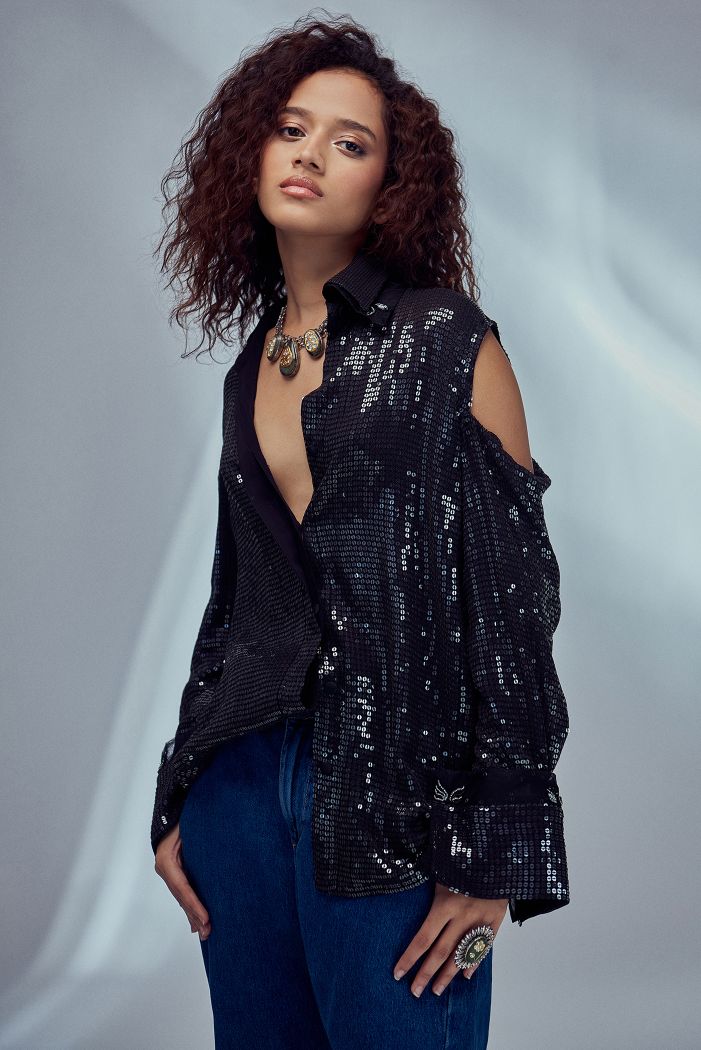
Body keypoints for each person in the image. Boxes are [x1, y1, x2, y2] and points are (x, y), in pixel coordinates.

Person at [150, 14, 570, 1050]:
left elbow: (513, 606)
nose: (308, 155)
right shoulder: (252, 362)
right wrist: (179, 789)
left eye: (349, 142)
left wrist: (496, 847)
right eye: (290, 129)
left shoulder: (444, 340)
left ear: (390, 184)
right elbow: (238, 600)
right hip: (239, 794)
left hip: (397, 798)